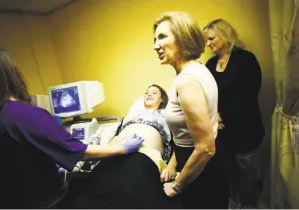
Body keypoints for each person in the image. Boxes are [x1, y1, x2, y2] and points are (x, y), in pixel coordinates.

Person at [0, 47, 144, 208]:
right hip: (47, 200)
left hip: (13, 199)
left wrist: (47, 161)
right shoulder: (24, 115)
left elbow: (17, 153)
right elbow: (79, 151)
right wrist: (122, 148)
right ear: (10, 73)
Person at [153, 11, 230, 208]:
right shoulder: (197, 69)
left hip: (203, 167)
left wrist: (177, 186)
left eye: (162, 37)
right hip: (203, 162)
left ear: (182, 36)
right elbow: (187, 134)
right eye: (154, 39)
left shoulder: (187, 80)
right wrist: (172, 163)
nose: (155, 46)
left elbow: (205, 148)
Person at [67, 84, 182, 208]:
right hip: (117, 152)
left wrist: (171, 166)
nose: (149, 94)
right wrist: (102, 156)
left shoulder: (167, 115)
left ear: (162, 99)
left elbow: (180, 142)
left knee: (128, 191)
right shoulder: (131, 115)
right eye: (147, 92)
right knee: (94, 185)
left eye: (154, 93)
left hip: (144, 156)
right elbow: (115, 136)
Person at [203, 18, 265, 208]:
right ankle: (234, 204)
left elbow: (249, 94)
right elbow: (207, 96)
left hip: (245, 129)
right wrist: (214, 117)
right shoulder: (210, 65)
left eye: (211, 38)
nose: (208, 43)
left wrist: (224, 115)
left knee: (246, 174)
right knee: (228, 173)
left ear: (224, 34)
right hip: (221, 132)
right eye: (206, 40)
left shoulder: (246, 59)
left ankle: (250, 205)